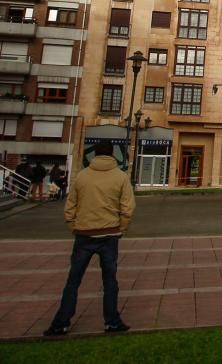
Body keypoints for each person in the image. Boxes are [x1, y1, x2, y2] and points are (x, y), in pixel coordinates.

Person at [44, 141, 135, 336]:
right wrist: (122, 229)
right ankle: (111, 321)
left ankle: (61, 323)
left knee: (73, 280)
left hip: (83, 235)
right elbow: (127, 207)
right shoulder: (120, 176)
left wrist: (73, 226)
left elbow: (70, 205)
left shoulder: (82, 176)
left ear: (95, 154)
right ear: (112, 154)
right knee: (110, 280)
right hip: (109, 234)